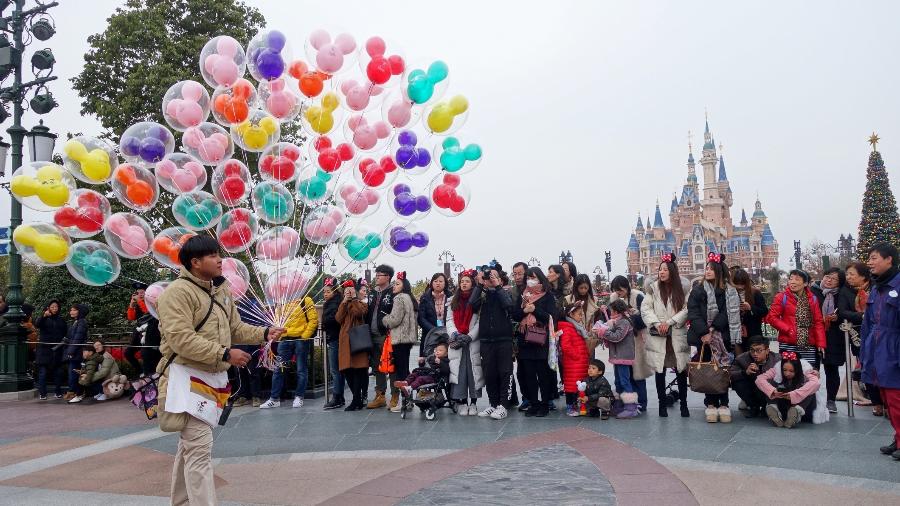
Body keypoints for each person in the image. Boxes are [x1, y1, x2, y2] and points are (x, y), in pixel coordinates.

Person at [156, 235, 284, 505]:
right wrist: (225, 353)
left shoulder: (221, 290)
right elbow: (181, 339)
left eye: (219, 254)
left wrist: (264, 333)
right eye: (213, 255)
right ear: (195, 262)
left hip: (212, 379)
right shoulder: (176, 294)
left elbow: (235, 328)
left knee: (191, 447)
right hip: (185, 379)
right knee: (200, 450)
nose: (220, 260)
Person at [687, 253, 742, 423]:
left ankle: (724, 404)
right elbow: (693, 312)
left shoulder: (730, 291)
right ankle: (710, 404)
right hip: (703, 338)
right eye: (707, 268)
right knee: (708, 370)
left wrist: (713, 328)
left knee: (722, 369)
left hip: (722, 335)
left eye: (711, 268)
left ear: (719, 270)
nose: (708, 271)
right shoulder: (698, 290)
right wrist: (704, 332)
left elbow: (728, 312)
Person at [860, 242, 900, 460]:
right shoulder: (876, 288)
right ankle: (898, 437)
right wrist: (864, 357)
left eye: (874, 257)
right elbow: (867, 325)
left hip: (893, 351)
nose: (870, 262)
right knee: (887, 398)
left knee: (897, 399)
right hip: (877, 351)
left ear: (889, 260)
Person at [641, 253, 691, 418]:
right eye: (660, 269)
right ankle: (662, 404)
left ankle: (684, 404)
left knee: (681, 370)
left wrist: (670, 322)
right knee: (660, 370)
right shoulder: (653, 289)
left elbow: (686, 309)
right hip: (659, 336)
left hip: (676, 334)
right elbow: (646, 309)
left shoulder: (682, 289)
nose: (661, 272)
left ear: (672, 271)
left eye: (665, 269)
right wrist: (656, 324)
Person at [260, 291, 318, 410]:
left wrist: (304, 336)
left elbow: (313, 319)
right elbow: (277, 320)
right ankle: (274, 398)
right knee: (278, 369)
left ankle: (299, 396)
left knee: (301, 369)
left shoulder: (305, 300)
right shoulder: (282, 301)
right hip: (285, 340)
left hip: (300, 339)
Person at [472, 265, 516, 420]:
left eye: (494, 276)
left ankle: (504, 405)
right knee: (489, 373)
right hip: (486, 340)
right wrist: (479, 284)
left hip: (503, 339)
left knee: (505, 372)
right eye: (488, 276)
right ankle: (493, 403)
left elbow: (509, 306)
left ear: (500, 278)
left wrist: (497, 286)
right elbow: (472, 305)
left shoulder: (505, 291)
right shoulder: (483, 293)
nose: (490, 278)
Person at [513, 267, 558, 417]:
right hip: (524, 339)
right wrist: (524, 311)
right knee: (528, 374)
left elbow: (551, 318)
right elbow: (515, 315)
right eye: (528, 278)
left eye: (533, 277)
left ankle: (545, 403)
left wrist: (535, 310)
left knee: (543, 374)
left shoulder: (547, 296)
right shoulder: (523, 295)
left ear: (540, 278)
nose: (530, 280)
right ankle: (533, 403)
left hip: (540, 339)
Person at [839, 262, 881, 414]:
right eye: (847, 274)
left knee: (883, 367)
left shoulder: (876, 287)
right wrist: (862, 316)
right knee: (867, 368)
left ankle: (887, 401)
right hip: (858, 335)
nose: (848, 277)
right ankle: (877, 403)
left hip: (880, 334)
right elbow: (842, 312)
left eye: (852, 274)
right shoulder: (845, 291)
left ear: (863, 276)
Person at [765, 269, 826, 370]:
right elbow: (771, 317)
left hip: (808, 345)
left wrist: (821, 343)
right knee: (789, 374)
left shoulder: (813, 299)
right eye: (791, 279)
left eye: (797, 279)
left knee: (809, 374)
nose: (792, 282)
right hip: (788, 343)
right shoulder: (782, 297)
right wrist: (788, 330)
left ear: (805, 283)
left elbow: (818, 322)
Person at [608, 275, 651, 411]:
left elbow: (645, 318)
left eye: (620, 290)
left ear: (626, 286)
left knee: (638, 373)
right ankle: (625, 402)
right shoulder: (613, 298)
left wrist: (630, 315)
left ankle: (641, 403)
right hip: (621, 343)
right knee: (622, 375)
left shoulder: (638, 296)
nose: (618, 293)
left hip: (636, 340)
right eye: (616, 290)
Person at [812, 267, 852, 413]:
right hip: (814, 335)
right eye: (827, 276)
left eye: (834, 279)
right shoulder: (813, 291)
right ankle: (810, 399)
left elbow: (848, 310)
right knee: (811, 368)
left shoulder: (842, 294)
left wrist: (838, 316)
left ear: (839, 282)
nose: (829, 280)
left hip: (834, 336)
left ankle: (831, 400)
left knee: (832, 369)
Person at [593, 299, 640, 418]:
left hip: (623, 356)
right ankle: (619, 404)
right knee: (618, 381)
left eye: (612, 311)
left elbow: (617, 337)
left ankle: (631, 407)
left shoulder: (624, 322)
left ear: (618, 311)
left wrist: (603, 331)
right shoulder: (617, 321)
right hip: (617, 356)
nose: (611, 312)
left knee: (624, 381)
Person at [446, 269, 483, 415]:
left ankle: (473, 402)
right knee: (459, 372)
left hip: (472, 342)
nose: (464, 284)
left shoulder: (478, 301)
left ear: (472, 283)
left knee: (474, 371)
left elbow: (479, 321)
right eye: (462, 281)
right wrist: (454, 333)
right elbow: (449, 320)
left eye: (467, 281)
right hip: (457, 341)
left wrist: (470, 336)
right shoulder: (452, 300)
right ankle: (461, 401)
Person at [382, 271, 419, 413]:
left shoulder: (399, 299)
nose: (394, 286)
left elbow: (395, 319)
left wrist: (384, 320)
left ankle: (405, 402)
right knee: (405, 369)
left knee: (401, 372)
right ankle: (408, 400)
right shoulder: (410, 298)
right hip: (408, 339)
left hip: (399, 339)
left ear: (404, 286)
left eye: (397, 284)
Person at [756, 352, 821, 428]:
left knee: (810, 390)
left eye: (791, 371)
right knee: (769, 388)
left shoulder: (806, 370)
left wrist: (794, 395)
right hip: (784, 405)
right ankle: (774, 409)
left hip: (805, 409)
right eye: (784, 370)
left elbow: (816, 383)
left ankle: (797, 412)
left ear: (797, 369)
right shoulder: (776, 369)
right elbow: (759, 379)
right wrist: (772, 391)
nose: (787, 374)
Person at [337, 280, 370, 411]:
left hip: (358, 340)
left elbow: (358, 313)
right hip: (345, 341)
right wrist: (345, 301)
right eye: (346, 292)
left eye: (350, 291)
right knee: (346, 370)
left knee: (357, 370)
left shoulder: (362, 304)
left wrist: (354, 299)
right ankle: (357, 398)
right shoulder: (343, 304)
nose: (348, 293)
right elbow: (338, 318)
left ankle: (357, 399)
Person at [366, 264, 395, 409]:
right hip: (372, 334)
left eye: (380, 275)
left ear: (388, 277)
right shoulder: (372, 292)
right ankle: (380, 395)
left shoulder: (393, 292)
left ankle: (395, 396)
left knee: (390, 366)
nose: (376, 277)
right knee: (377, 366)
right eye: (376, 275)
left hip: (386, 335)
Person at [730, 335, 780, 418]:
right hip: (752, 388)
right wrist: (745, 372)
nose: (755, 354)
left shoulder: (777, 359)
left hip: (769, 392)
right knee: (738, 382)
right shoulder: (741, 359)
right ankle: (753, 406)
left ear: (767, 350)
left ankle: (766, 407)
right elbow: (730, 374)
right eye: (752, 350)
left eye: (759, 350)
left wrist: (759, 373)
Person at [232, 296, 267, 407]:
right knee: (239, 371)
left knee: (253, 371)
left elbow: (260, 320)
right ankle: (243, 395)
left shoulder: (253, 303)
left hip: (252, 342)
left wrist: (262, 337)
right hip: (237, 343)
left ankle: (256, 395)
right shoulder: (230, 303)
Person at [557, 303, 589, 416]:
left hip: (579, 362)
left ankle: (577, 404)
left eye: (582, 315)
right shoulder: (568, 327)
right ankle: (570, 407)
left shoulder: (576, 327)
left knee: (579, 385)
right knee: (571, 386)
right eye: (579, 314)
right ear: (571, 314)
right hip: (573, 362)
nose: (581, 317)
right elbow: (565, 346)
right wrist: (577, 355)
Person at [34, 299, 67, 400]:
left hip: (56, 349)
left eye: (56, 307)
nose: (54, 309)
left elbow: (65, 332)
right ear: (48, 308)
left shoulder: (61, 320)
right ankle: (42, 393)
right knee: (43, 372)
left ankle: (57, 392)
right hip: (44, 349)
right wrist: (44, 316)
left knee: (58, 372)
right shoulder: (44, 318)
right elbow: (37, 324)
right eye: (52, 307)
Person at [730, 267, 769, 353]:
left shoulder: (755, 292)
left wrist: (751, 308)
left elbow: (764, 311)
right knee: (739, 359)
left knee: (754, 357)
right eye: (737, 284)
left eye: (742, 284)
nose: (740, 286)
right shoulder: (730, 293)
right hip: (736, 333)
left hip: (753, 332)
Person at [321, 278, 345, 410]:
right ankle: (339, 396)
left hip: (335, 338)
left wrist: (325, 322)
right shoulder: (332, 302)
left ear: (334, 292)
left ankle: (337, 396)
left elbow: (333, 320)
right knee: (337, 370)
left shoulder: (334, 303)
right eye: (324, 291)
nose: (325, 294)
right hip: (333, 337)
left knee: (335, 370)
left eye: (328, 291)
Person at [565, 274, 600, 359]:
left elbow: (598, 318)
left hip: (589, 337)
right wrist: (572, 307)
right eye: (581, 288)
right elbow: (564, 317)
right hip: (574, 337)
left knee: (590, 365)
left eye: (586, 288)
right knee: (577, 365)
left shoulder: (594, 300)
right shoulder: (568, 299)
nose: (583, 290)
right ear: (576, 287)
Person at [63, 303, 90, 402]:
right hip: (75, 351)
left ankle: (77, 393)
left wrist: (70, 351)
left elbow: (78, 339)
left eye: (74, 310)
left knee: (74, 373)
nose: (71, 312)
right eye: (71, 310)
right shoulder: (76, 322)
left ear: (80, 312)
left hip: (77, 353)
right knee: (74, 373)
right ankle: (75, 392)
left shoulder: (81, 322)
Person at [125, 283, 149, 376]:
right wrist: (131, 305)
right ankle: (140, 372)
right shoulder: (137, 302)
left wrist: (139, 300)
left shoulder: (150, 301)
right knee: (128, 353)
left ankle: (148, 374)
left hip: (149, 331)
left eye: (142, 292)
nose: (140, 294)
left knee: (146, 354)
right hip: (139, 331)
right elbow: (131, 317)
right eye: (138, 292)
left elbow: (148, 312)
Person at [418, 273, 451, 338]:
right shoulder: (425, 298)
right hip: (430, 334)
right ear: (432, 283)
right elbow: (421, 318)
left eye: (441, 281)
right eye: (435, 281)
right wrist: (434, 330)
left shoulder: (450, 297)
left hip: (447, 334)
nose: (438, 283)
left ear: (445, 283)